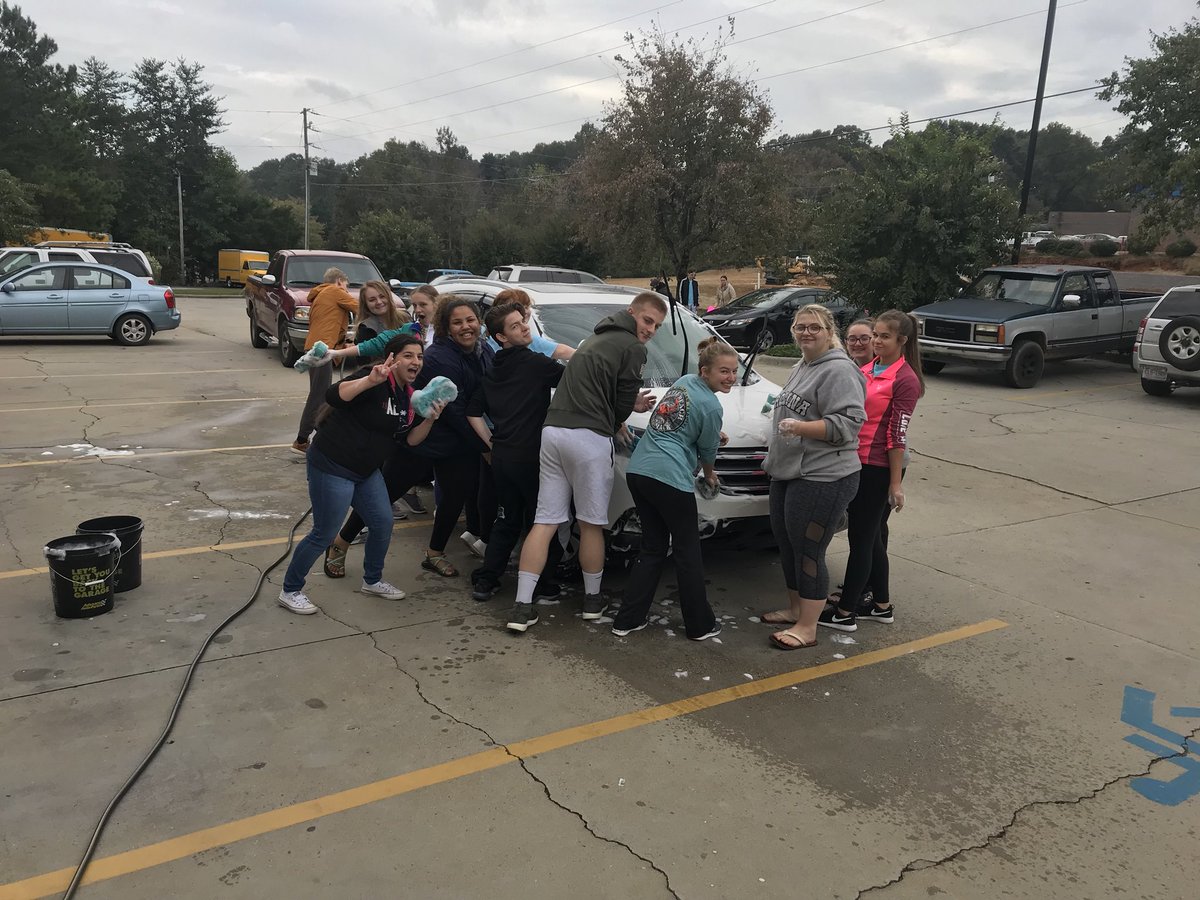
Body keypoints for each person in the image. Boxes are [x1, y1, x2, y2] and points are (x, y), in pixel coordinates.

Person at [505, 292, 667, 633]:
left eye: (657, 325)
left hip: (553, 432)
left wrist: (618, 403)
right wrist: (627, 408)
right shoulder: (633, 348)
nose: (651, 329)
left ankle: (522, 607)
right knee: (591, 523)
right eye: (647, 320)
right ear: (631, 313)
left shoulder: (593, 339)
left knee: (545, 521)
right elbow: (621, 407)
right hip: (588, 438)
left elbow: (595, 388)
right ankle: (593, 601)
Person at [278, 335, 445, 615]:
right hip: (333, 465)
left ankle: (373, 580)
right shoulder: (374, 377)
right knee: (324, 532)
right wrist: (370, 381)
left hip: (366, 471)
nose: (415, 361)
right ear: (391, 359)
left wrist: (430, 417)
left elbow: (412, 440)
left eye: (419, 356)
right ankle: (290, 589)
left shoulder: (408, 395)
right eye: (408, 355)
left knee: (382, 522)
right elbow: (333, 395)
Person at [610, 337, 738, 641]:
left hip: (640, 472)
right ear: (705, 371)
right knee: (687, 551)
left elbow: (673, 421)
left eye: (734, 371)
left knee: (653, 547)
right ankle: (699, 625)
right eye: (724, 371)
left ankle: (627, 620)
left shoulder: (683, 382)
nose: (731, 377)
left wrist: (709, 434)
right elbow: (708, 452)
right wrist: (710, 476)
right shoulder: (711, 405)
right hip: (669, 479)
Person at [759, 304, 866, 650]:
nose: (806, 333)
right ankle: (795, 609)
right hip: (788, 471)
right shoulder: (802, 365)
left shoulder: (839, 371)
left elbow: (850, 424)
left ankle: (808, 627)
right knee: (787, 544)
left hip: (824, 476)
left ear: (829, 331)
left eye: (814, 327)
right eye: (800, 327)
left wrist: (802, 427)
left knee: (808, 550)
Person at [820, 310, 924, 632]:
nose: (876, 341)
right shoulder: (867, 368)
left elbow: (897, 435)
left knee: (861, 538)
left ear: (902, 341)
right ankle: (881, 604)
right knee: (873, 538)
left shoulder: (905, 379)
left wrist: (895, 484)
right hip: (856, 460)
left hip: (877, 466)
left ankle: (846, 612)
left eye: (884, 336)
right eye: (875, 334)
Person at [466, 302, 567, 602]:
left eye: (523, 321)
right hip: (533, 458)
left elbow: (472, 412)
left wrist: (491, 442)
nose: (525, 327)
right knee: (541, 523)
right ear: (501, 337)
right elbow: (575, 379)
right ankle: (542, 582)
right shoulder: (535, 364)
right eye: (515, 325)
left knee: (507, 520)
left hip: (503, 459)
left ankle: (487, 579)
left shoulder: (493, 369)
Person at [293, 267, 358, 454]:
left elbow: (329, 324)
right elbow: (360, 307)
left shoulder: (320, 296)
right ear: (338, 282)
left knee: (320, 394)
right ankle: (302, 440)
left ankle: (318, 435)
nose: (345, 292)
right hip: (321, 349)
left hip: (316, 347)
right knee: (319, 395)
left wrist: (343, 343)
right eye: (345, 287)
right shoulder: (334, 291)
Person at [484, 288, 574, 361]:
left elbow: (565, 352)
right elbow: (564, 352)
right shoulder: (483, 343)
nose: (525, 311)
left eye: (527, 307)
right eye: (517, 307)